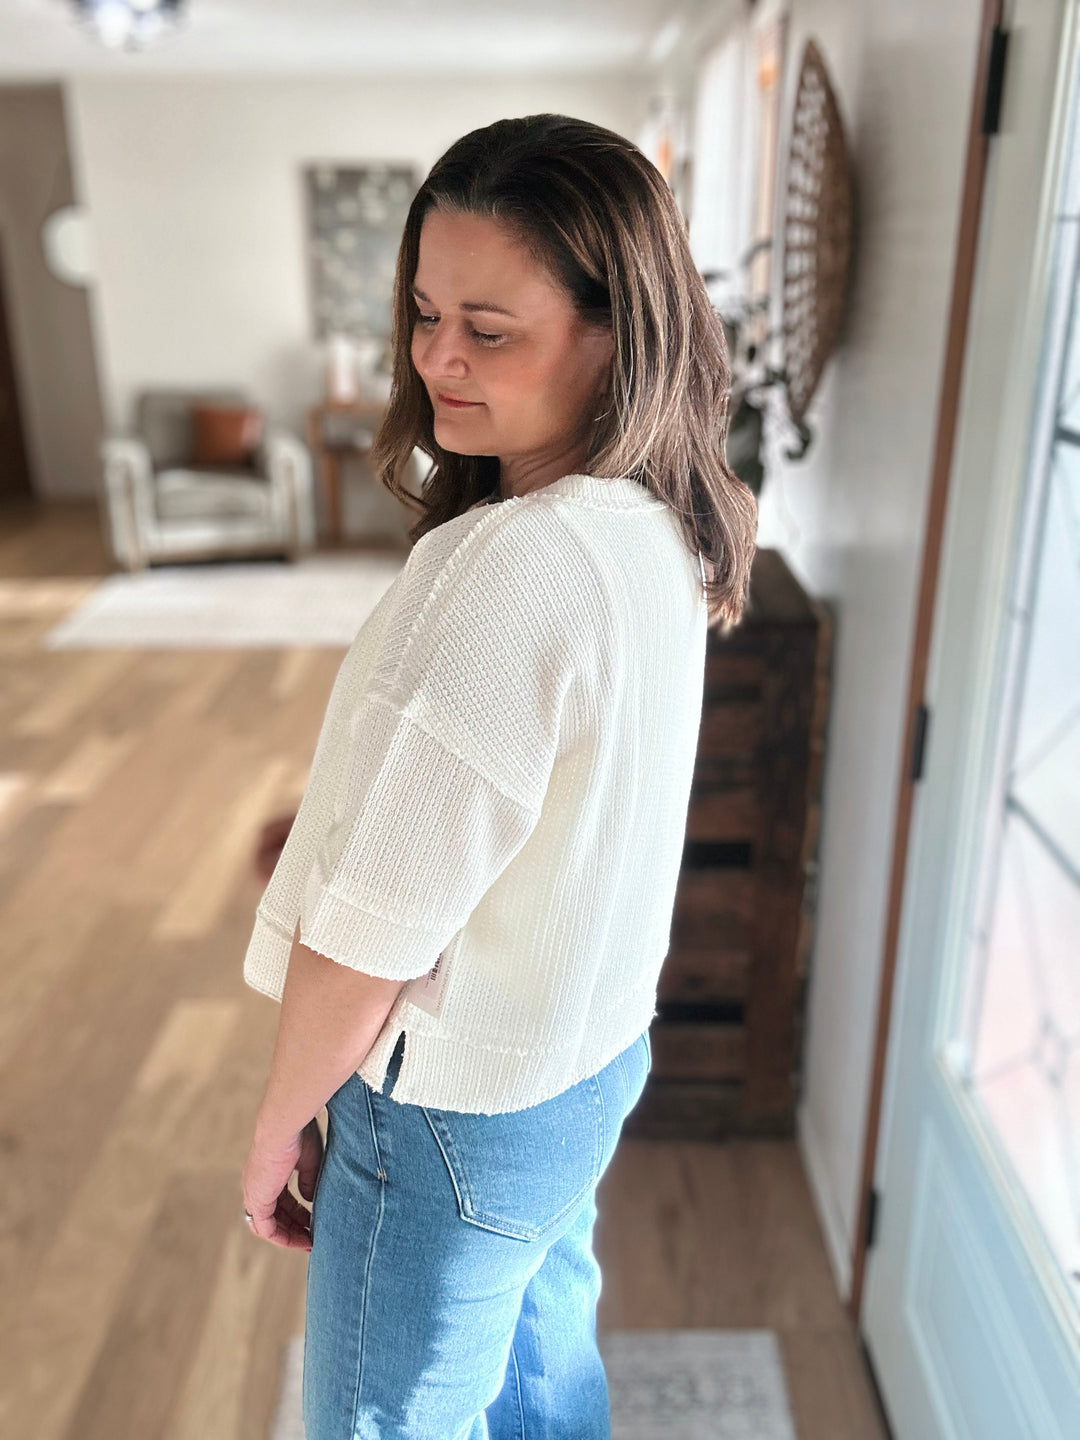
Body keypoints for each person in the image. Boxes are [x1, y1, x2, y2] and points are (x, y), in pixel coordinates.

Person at [240, 112, 756, 1438]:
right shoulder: (662, 526)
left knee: (384, 1418)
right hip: (581, 1065)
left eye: (490, 326)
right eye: (422, 312)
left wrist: (278, 1119)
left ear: (611, 331)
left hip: (452, 1109)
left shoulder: (512, 564)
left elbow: (373, 934)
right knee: (540, 1380)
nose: (436, 357)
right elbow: (555, 804)